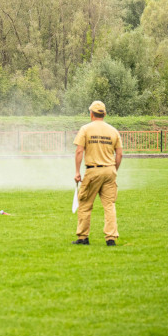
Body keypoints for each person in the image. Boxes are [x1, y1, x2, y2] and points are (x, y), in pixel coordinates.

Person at [72, 100, 123, 246]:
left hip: (93, 171)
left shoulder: (85, 129)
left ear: (91, 114)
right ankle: (111, 238)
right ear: (104, 114)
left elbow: (79, 150)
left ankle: (83, 237)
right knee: (109, 205)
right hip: (110, 170)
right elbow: (119, 154)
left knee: (85, 203)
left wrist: (77, 172)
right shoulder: (113, 131)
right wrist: (114, 170)